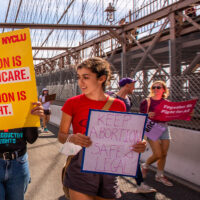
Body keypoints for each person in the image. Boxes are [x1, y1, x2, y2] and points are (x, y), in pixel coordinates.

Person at [58, 57, 147, 200]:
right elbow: (61, 136)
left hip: (109, 168)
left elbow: (124, 136)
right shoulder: (72, 103)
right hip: (80, 166)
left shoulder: (119, 105)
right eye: (79, 77)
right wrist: (72, 138)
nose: (81, 82)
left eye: (86, 77)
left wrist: (139, 143)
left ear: (102, 79)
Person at [109, 78, 156, 193]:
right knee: (111, 160)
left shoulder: (128, 99)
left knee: (134, 159)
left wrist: (144, 115)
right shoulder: (112, 98)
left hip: (126, 135)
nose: (134, 87)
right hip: (113, 136)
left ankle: (140, 185)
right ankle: (106, 184)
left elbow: (128, 116)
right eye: (133, 85)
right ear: (127, 85)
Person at [140, 80, 173, 187]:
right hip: (152, 128)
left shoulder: (167, 102)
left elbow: (172, 114)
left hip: (164, 127)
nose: (155, 89)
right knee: (158, 154)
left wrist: (186, 112)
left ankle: (159, 175)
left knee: (164, 154)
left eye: (158, 87)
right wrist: (147, 114)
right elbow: (140, 116)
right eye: (153, 87)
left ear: (163, 89)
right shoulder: (146, 102)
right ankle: (145, 165)